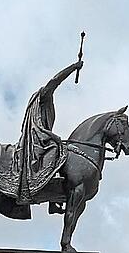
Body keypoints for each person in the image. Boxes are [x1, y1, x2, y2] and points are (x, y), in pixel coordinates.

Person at [15, 60, 84, 203]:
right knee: (56, 149)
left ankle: (54, 201)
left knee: (58, 147)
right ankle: (37, 188)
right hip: (38, 136)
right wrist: (73, 67)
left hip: (43, 135)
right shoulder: (44, 95)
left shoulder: (43, 101)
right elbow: (55, 81)